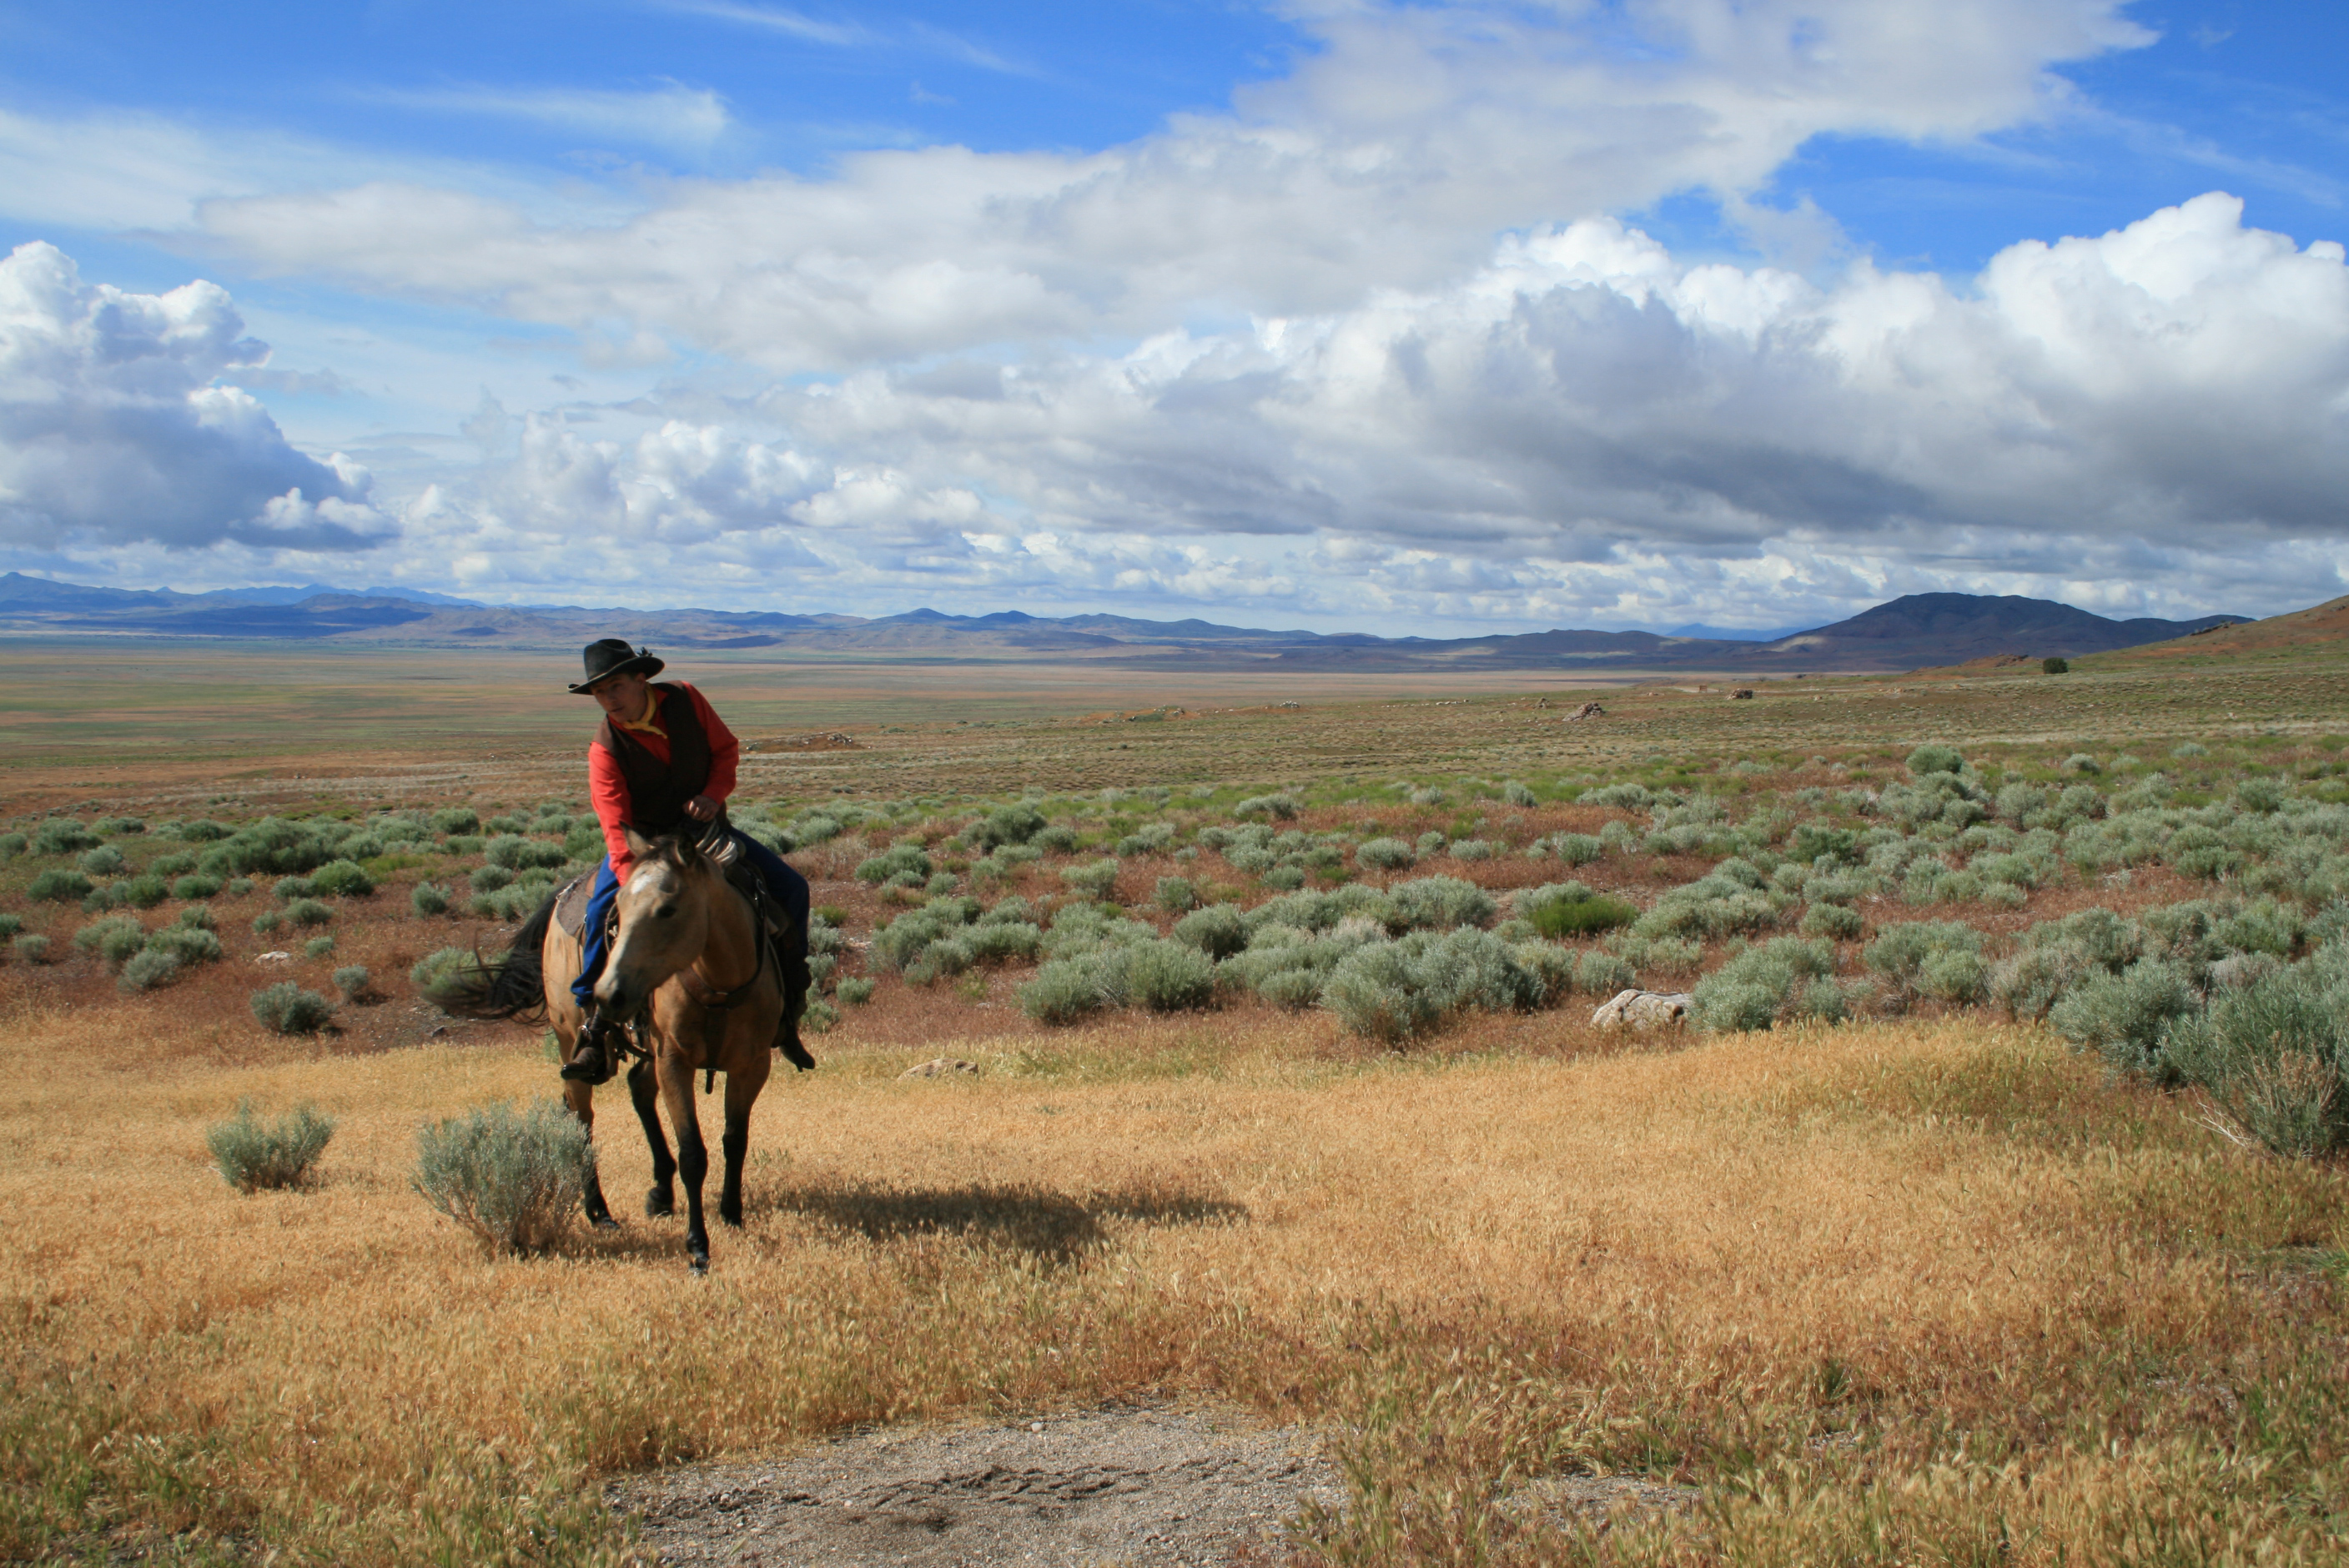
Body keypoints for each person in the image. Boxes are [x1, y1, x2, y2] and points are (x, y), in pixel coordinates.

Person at [560, 638, 812, 1084]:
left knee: (793, 889)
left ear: (642, 679)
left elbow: (724, 751)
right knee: (599, 913)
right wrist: (637, 882)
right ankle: (595, 1028)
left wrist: (712, 796)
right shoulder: (606, 750)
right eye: (599, 693)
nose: (609, 700)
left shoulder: (686, 699)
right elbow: (615, 826)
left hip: (706, 836)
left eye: (616, 687)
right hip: (644, 849)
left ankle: (787, 1012)